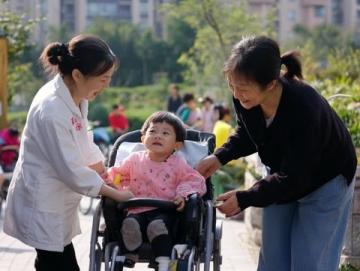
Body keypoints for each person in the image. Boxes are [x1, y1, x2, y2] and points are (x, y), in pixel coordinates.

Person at [196, 36, 357, 271]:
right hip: (282, 176)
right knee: (273, 261)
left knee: (309, 264)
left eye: (242, 88)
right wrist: (219, 157)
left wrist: (245, 198)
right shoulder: (246, 96)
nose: (237, 94)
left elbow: (296, 176)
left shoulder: (304, 108)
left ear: (271, 84)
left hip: (326, 180)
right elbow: (250, 132)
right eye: (232, 86)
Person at [3, 34, 133, 271]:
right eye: (104, 79)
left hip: (56, 202)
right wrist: (113, 192)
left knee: (50, 261)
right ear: (77, 75)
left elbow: (82, 140)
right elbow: (71, 169)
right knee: (57, 261)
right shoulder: (52, 109)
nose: (107, 85)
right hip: (43, 201)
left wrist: (104, 169)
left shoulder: (76, 96)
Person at [106, 111, 206, 271]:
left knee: (157, 226)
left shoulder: (178, 164)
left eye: (165, 133)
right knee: (130, 223)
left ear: (177, 145)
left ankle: (164, 261)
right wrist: (111, 186)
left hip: (165, 211)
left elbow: (195, 180)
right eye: (152, 131)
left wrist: (182, 194)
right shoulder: (133, 159)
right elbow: (115, 174)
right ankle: (130, 253)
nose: (158, 136)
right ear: (142, 139)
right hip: (135, 208)